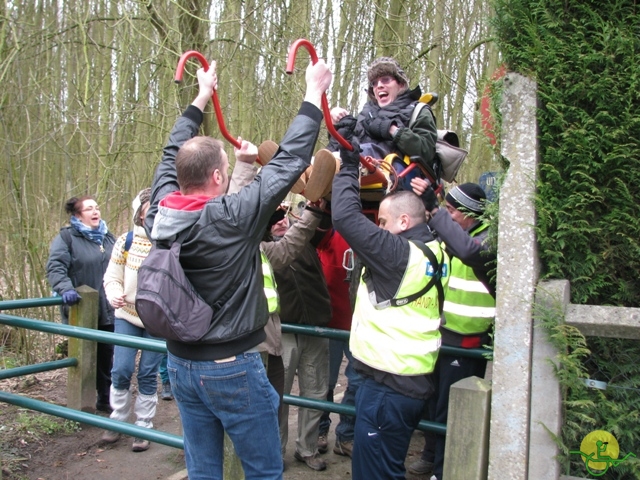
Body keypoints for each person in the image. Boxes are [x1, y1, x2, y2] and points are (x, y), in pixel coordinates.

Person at [144, 58, 332, 480]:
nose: (230, 175)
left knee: (203, 471)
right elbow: (287, 165)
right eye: (227, 170)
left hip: (180, 364)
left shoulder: (160, 211)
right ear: (215, 176)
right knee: (264, 472)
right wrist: (312, 93)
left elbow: (171, 151)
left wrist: (202, 96)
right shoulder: (230, 218)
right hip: (230, 366)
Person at [330, 132, 450, 480]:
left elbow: (346, 218)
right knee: (387, 468)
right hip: (411, 384)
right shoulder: (435, 251)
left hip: (386, 387)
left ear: (403, 222)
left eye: (382, 222)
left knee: (374, 474)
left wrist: (348, 163)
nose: (378, 229)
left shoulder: (396, 254)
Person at [228, 145, 328, 431]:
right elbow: (237, 206)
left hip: (268, 341)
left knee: (271, 404)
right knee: (253, 412)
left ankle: (271, 461)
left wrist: (311, 212)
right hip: (246, 343)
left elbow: (290, 245)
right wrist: (245, 166)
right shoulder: (231, 246)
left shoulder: (262, 250)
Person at [408, 180, 496, 480]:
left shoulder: (486, 242)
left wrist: (434, 206)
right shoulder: (452, 236)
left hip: (467, 342)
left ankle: (446, 471)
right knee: (431, 402)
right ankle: (432, 456)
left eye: (451, 211)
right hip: (441, 335)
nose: (446, 217)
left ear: (469, 214)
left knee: (452, 410)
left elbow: (468, 252)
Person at [101, 188, 164, 452]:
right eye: (150, 209)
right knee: (121, 369)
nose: (154, 215)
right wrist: (115, 294)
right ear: (140, 213)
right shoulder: (125, 242)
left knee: (148, 373)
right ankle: (117, 420)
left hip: (158, 319)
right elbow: (112, 277)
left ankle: (143, 426)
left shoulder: (169, 243)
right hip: (127, 314)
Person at [271, 208, 332, 472]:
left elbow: (325, 223)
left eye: (283, 214)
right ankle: (275, 451)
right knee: (278, 396)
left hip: (316, 329)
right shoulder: (259, 248)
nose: (281, 219)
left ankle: (307, 448)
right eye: (274, 217)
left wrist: (323, 200)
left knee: (316, 391)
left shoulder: (304, 237)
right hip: (281, 332)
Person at [325, 56, 439, 195]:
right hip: (355, 170)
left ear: (401, 84)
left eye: (386, 80)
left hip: (391, 173)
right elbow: (351, 140)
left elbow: (425, 150)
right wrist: (339, 125)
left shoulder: (418, 110)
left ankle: (330, 165)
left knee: (367, 149)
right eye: (374, 83)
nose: (379, 85)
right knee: (342, 143)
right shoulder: (367, 112)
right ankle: (310, 171)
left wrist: (393, 130)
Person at [46, 196, 116, 413]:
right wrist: (65, 288)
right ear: (77, 215)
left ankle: (106, 398)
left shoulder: (107, 238)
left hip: (108, 308)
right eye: (89, 209)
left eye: (97, 207)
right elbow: (56, 266)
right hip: (82, 307)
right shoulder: (67, 238)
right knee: (85, 355)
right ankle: (83, 404)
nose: (95, 212)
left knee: (107, 354)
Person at [315, 218, 361, 459]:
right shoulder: (331, 230)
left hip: (360, 326)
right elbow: (317, 231)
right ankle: (321, 431)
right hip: (331, 324)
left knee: (357, 381)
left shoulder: (370, 229)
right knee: (326, 382)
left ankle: (346, 436)